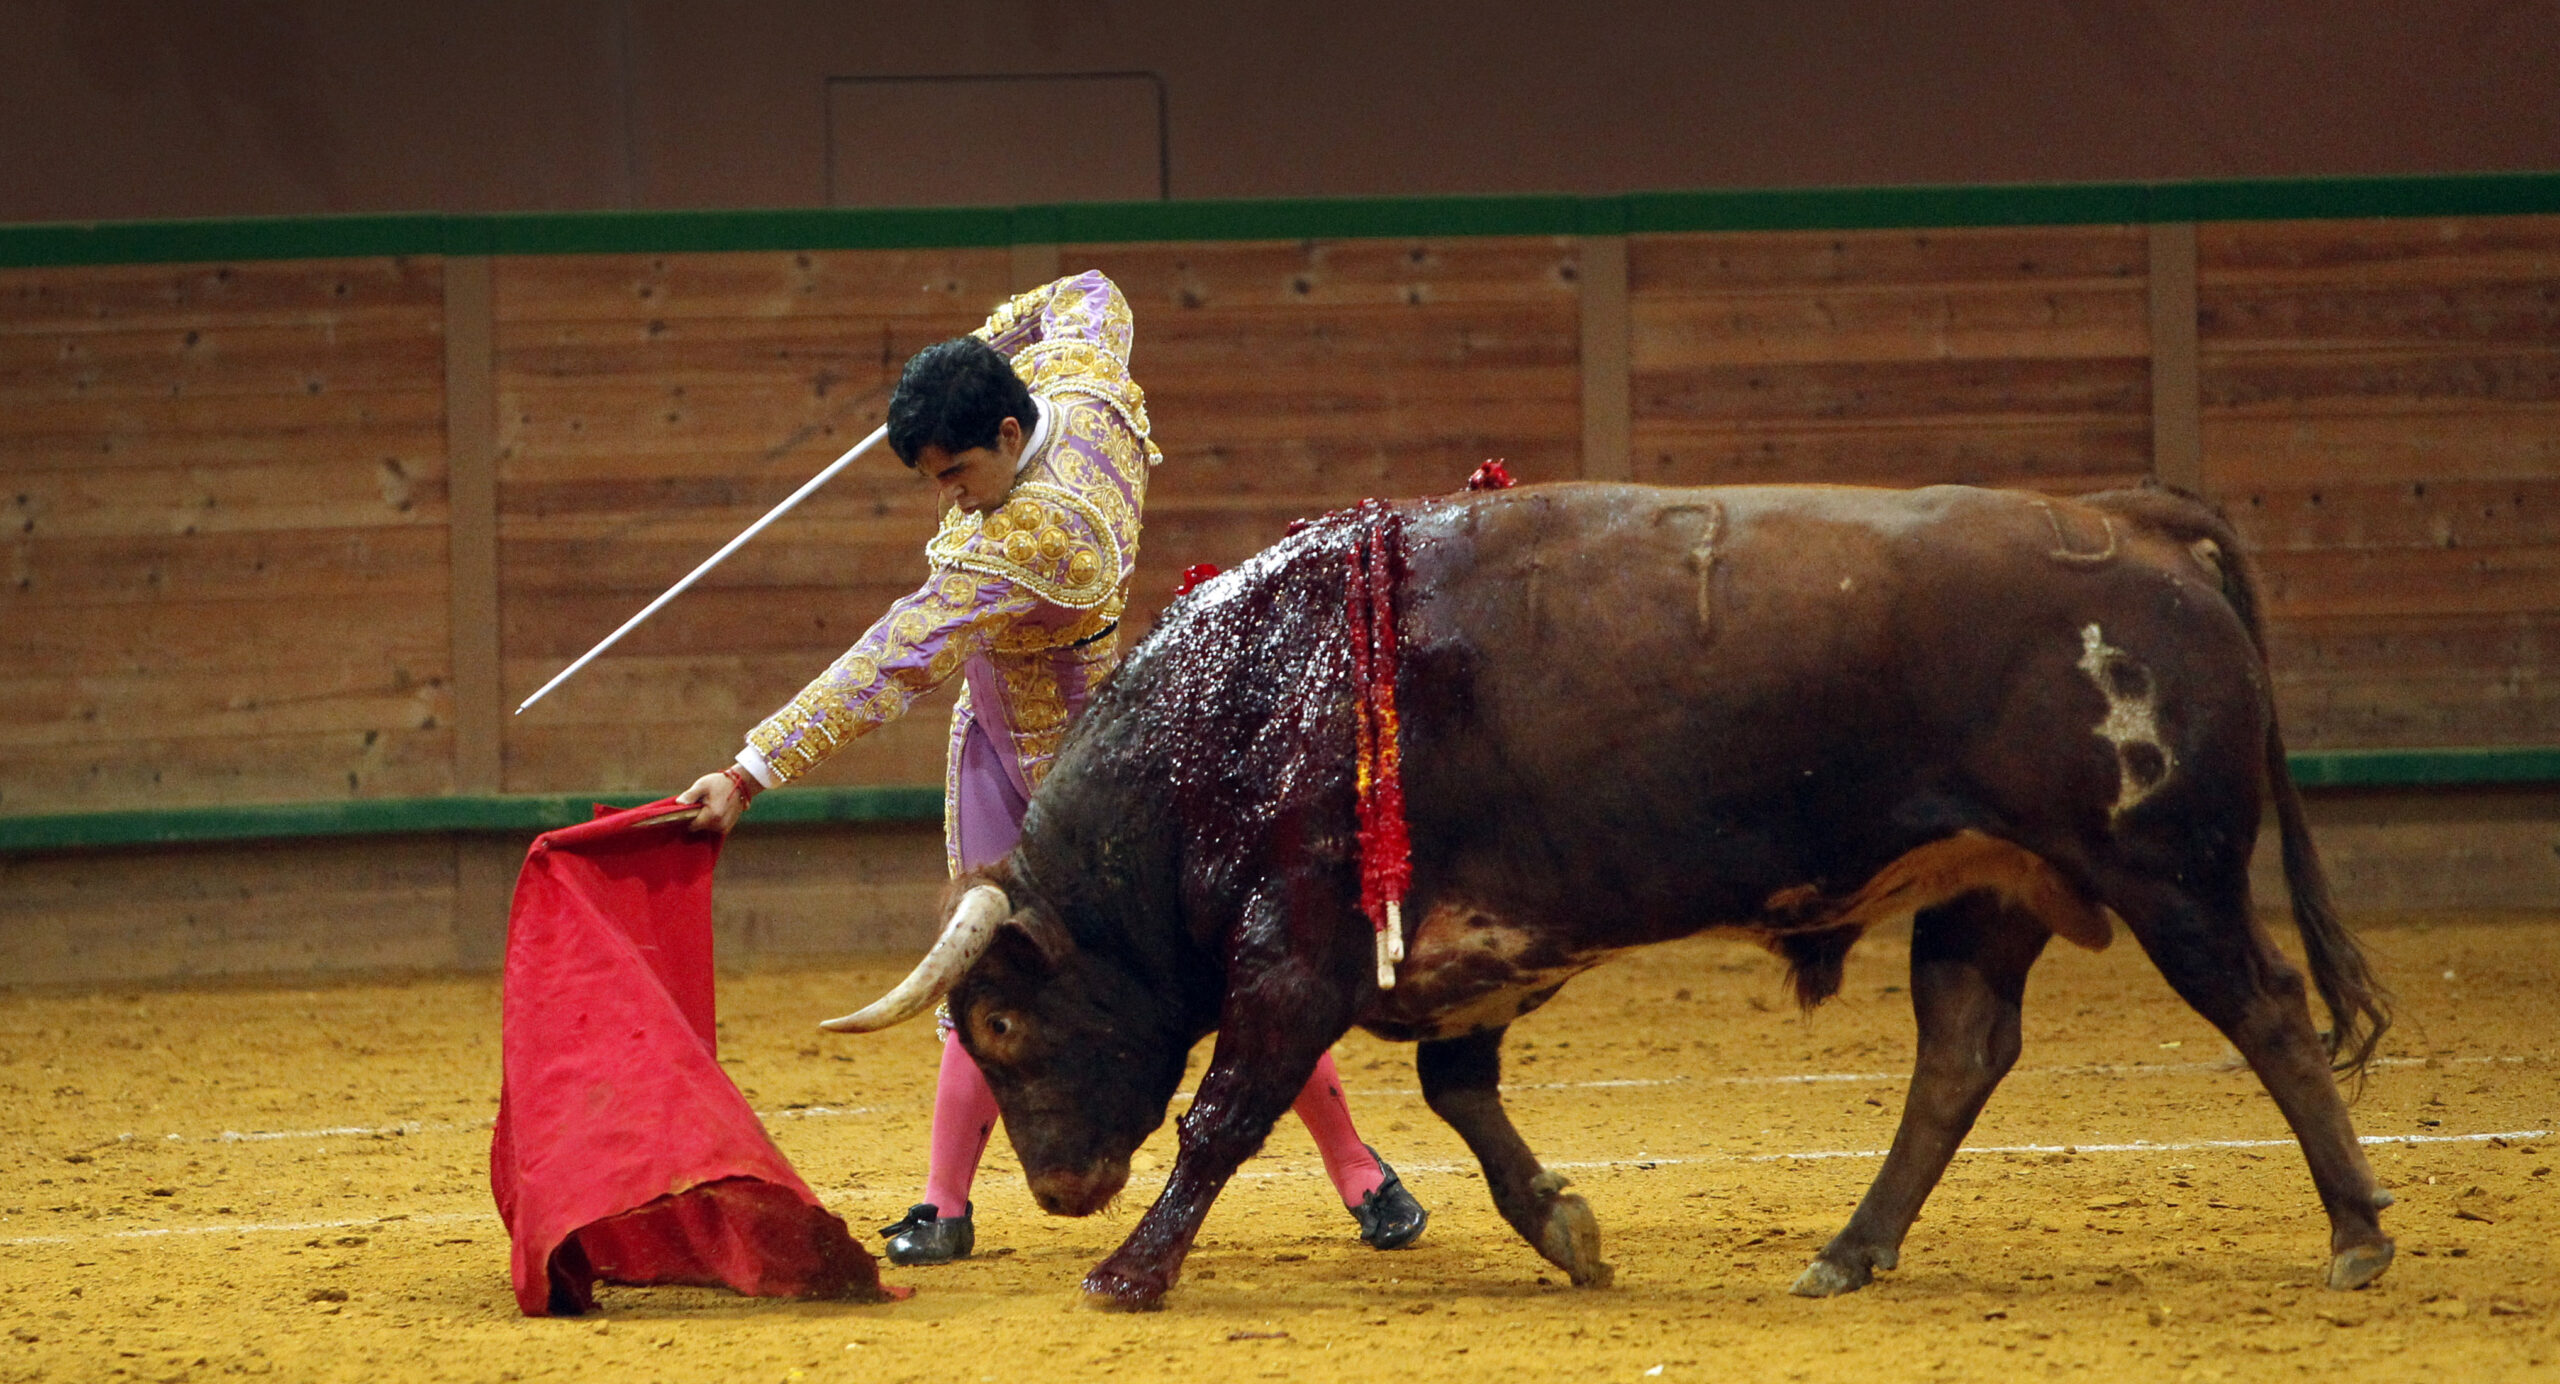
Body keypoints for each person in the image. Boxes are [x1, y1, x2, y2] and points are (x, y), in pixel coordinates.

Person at [677, 270, 1427, 1266]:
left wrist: (749, 770)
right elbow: (1093, 291)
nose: (948, 496)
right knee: (980, 966)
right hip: (1004, 740)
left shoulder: (1039, 535)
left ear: (1000, 435)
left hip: (1087, 782)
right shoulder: (1080, 386)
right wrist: (986, 335)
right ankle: (945, 1203)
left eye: (954, 475)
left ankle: (1356, 1168)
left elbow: (889, 659)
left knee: (1226, 970)